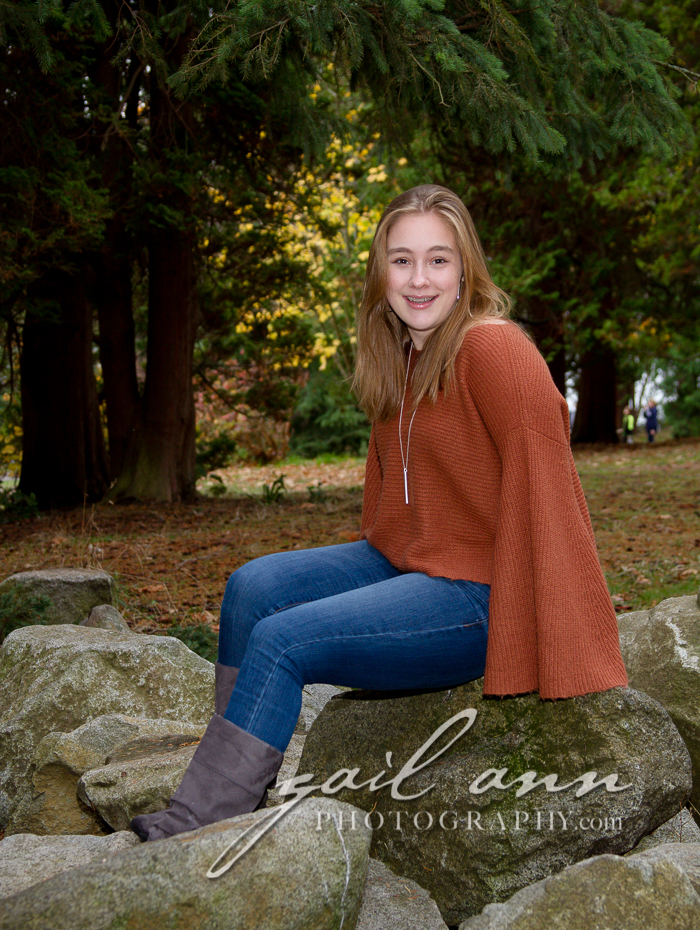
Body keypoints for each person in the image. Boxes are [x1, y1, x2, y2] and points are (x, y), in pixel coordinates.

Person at [131, 184, 628, 842]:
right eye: (402, 260)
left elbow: (551, 491)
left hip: (479, 595)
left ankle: (196, 827)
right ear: (380, 271)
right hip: (409, 563)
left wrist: (561, 643)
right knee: (251, 588)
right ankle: (237, 782)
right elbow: (403, 501)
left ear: (466, 270)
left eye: (438, 260)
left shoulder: (494, 349)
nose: (419, 279)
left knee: (283, 641)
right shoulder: (403, 353)